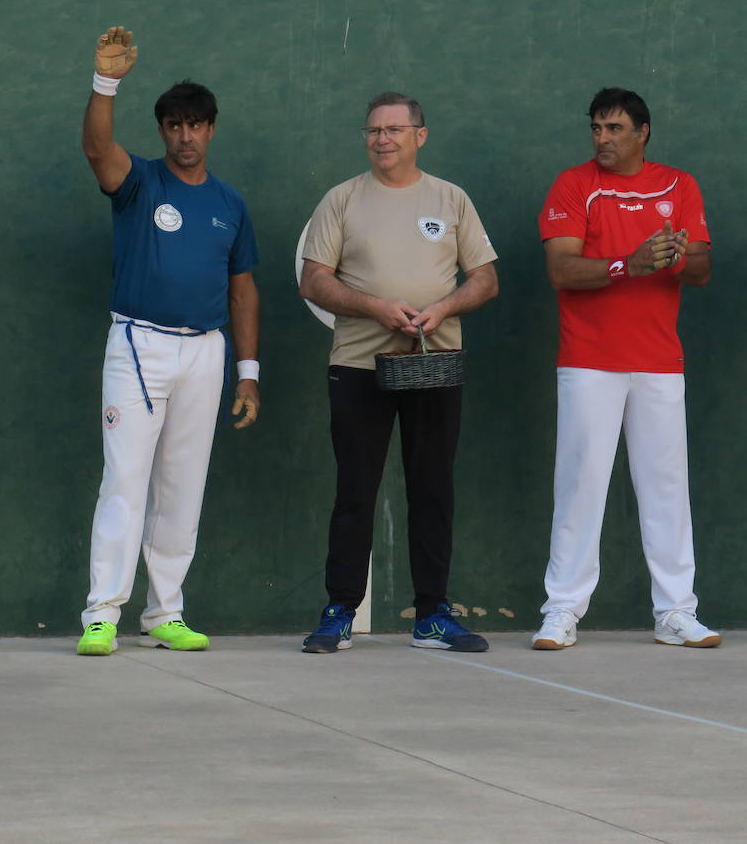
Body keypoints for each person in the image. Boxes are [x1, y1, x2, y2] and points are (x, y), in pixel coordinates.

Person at [76, 27, 261, 657]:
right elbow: (98, 149)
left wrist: (249, 370)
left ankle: (165, 613)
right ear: (162, 132)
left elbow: (244, 291)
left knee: (184, 483)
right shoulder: (139, 183)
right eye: (175, 125)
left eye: (196, 125)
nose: (186, 135)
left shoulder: (229, 204)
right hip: (137, 345)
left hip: (205, 352)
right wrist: (107, 83)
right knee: (125, 477)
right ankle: (102, 612)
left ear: (211, 130)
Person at [298, 92, 498, 654]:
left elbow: (485, 278)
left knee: (433, 489)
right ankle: (339, 610)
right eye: (373, 130)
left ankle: (432, 615)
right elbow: (314, 280)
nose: (382, 139)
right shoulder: (341, 200)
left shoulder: (451, 199)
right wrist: (376, 306)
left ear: (420, 135)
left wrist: (446, 307)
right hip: (358, 365)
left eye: (394, 129)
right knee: (355, 490)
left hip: (432, 366)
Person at [532, 88, 720, 651]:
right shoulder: (574, 185)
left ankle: (676, 613)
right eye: (596, 128)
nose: (603, 139)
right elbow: (561, 270)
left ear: (642, 132)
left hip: (660, 362)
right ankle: (562, 610)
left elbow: (703, 267)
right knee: (581, 485)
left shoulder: (679, 186)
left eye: (614, 129)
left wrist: (674, 256)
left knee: (666, 488)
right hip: (589, 360)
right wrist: (628, 263)